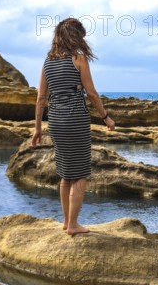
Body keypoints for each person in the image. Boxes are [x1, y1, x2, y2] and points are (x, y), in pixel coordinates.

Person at [30, 17, 115, 236]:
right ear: (73, 36)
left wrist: (37, 129)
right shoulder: (78, 59)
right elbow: (92, 93)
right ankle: (74, 225)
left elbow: (41, 99)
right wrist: (106, 117)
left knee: (65, 174)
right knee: (80, 175)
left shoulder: (47, 62)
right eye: (80, 36)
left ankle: (67, 222)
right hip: (76, 120)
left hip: (56, 121)